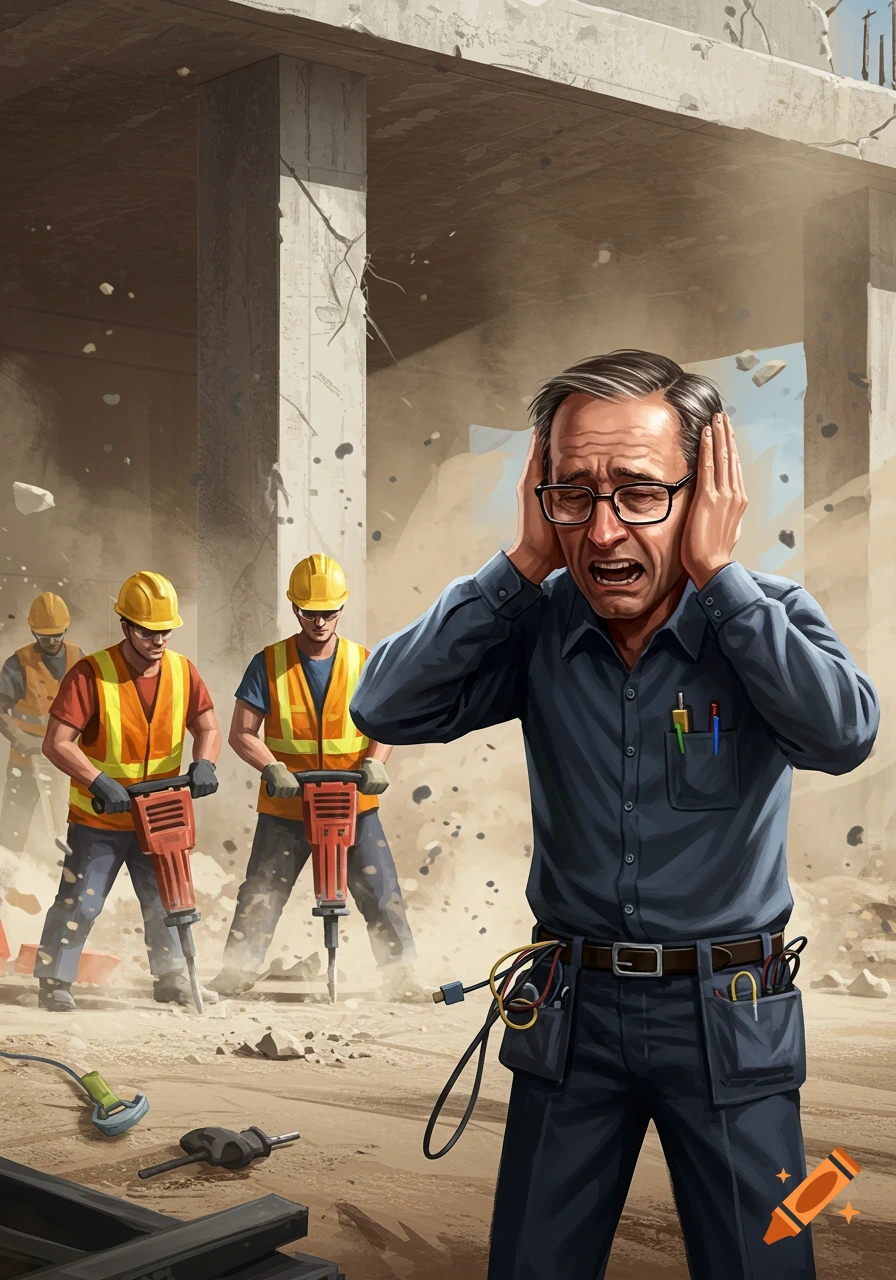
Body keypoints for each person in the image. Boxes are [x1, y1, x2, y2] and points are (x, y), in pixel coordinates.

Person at [349, 350, 879, 1280]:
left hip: (729, 1016)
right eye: (573, 495)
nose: (601, 532)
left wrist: (721, 579)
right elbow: (383, 706)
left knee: (764, 1262)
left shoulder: (765, 617)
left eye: (639, 493)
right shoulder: (535, 624)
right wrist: (521, 563)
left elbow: (842, 735)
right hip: (571, 1010)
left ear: (705, 493)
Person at [211, 553, 425, 1003]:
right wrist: (272, 767)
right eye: (310, 612)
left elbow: (384, 724)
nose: (320, 621)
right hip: (287, 805)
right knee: (262, 890)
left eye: (328, 611)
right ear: (295, 608)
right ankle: (236, 971)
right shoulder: (268, 663)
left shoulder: (364, 662)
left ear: (341, 607)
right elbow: (241, 733)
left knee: (380, 889)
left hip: (354, 804)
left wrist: (376, 761)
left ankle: (401, 974)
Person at [34, 571, 222, 1013]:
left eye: (165, 631)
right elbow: (56, 742)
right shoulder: (91, 674)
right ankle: (54, 980)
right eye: (147, 631)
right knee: (81, 901)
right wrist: (97, 780)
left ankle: (172, 978)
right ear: (125, 626)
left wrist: (205, 762)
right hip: (99, 819)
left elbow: (208, 727)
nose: (158, 640)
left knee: (168, 899)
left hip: (160, 815)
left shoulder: (183, 671)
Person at [0, 593, 82, 849]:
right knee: (13, 827)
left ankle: (66, 867)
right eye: (44, 636)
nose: (52, 641)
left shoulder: (78, 657)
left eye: (57, 634)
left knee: (71, 826)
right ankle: (8, 868)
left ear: (66, 628)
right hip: (26, 762)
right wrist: (21, 740)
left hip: (67, 762)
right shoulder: (18, 664)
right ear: (33, 631)